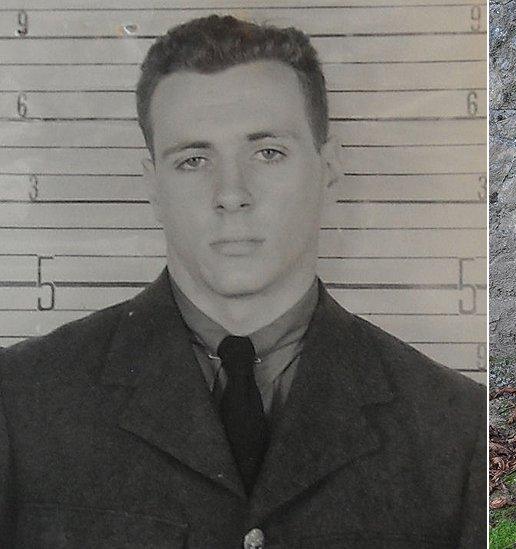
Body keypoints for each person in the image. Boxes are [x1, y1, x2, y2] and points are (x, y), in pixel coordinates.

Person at [0, 15, 485, 548]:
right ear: (153, 186)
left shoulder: (457, 428)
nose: (231, 194)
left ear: (328, 167)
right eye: (193, 160)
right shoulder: (19, 401)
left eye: (267, 153)